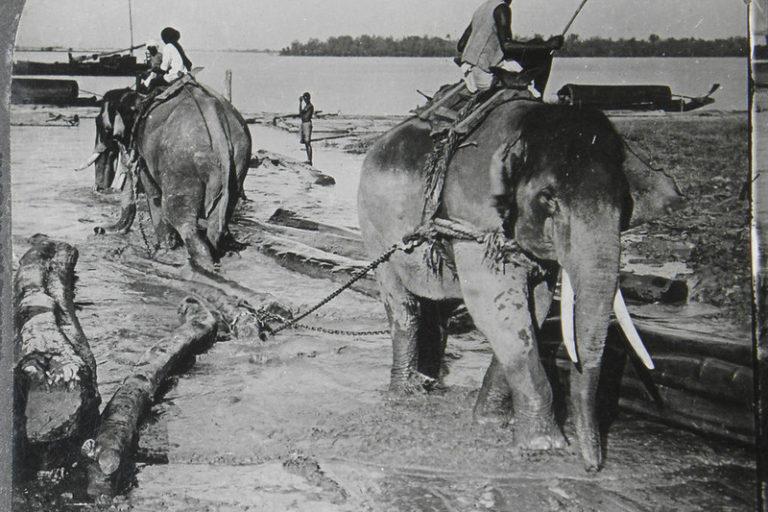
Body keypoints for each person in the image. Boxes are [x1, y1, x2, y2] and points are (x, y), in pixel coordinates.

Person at [457, 0, 563, 95]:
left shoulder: (481, 9)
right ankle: (538, 98)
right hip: (484, 78)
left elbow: (461, 45)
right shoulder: (502, 8)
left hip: (469, 76)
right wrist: (547, 45)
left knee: (535, 44)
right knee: (543, 51)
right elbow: (507, 46)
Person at [299, 92, 314, 165]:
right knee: (305, 142)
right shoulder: (306, 106)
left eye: (305, 98)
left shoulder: (310, 106)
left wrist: (302, 114)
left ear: (308, 98)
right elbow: (300, 113)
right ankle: (308, 159)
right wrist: (300, 103)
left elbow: (304, 116)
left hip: (307, 123)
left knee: (308, 142)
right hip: (304, 124)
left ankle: (309, 160)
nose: (305, 100)